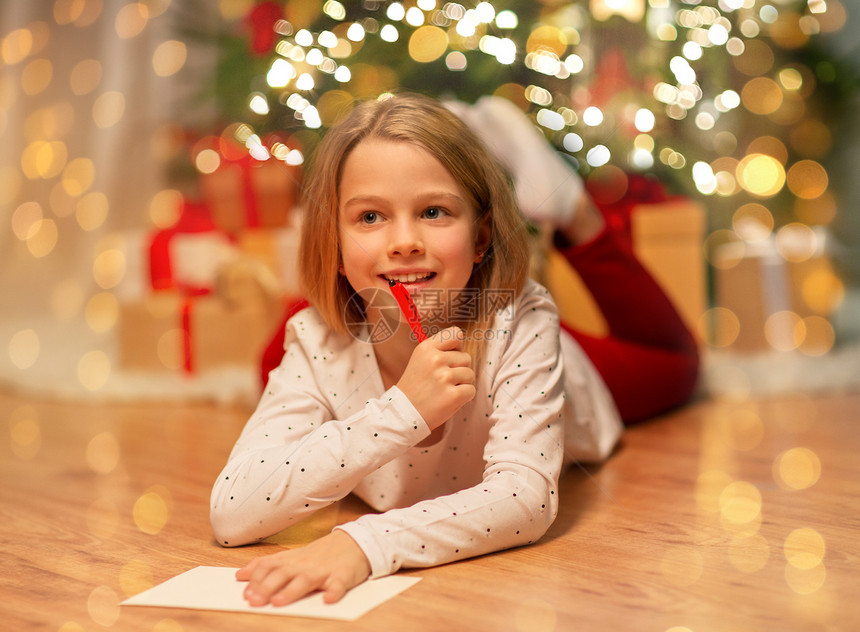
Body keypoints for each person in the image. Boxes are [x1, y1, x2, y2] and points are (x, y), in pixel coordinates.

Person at [211, 92, 699, 607]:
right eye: (370, 217)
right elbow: (232, 512)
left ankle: (572, 209)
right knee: (282, 351)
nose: (404, 241)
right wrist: (404, 411)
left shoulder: (525, 320)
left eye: (434, 211)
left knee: (679, 368)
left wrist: (363, 541)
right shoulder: (315, 337)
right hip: (360, 323)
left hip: (556, 366)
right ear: (333, 243)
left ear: (482, 236)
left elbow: (525, 498)